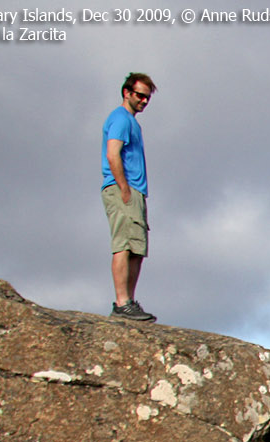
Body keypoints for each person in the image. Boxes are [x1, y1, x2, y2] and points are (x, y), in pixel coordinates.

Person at [102, 73, 157, 321]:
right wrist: (123, 187)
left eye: (147, 97)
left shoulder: (132, 122)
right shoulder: (121, 118)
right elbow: (113, 153)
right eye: (140, 95)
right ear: (127, 92)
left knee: (136, 247)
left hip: (135, 190)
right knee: (124, 244)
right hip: (124, 187)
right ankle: (122, 302)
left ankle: (129, 302)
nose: (144, 101)